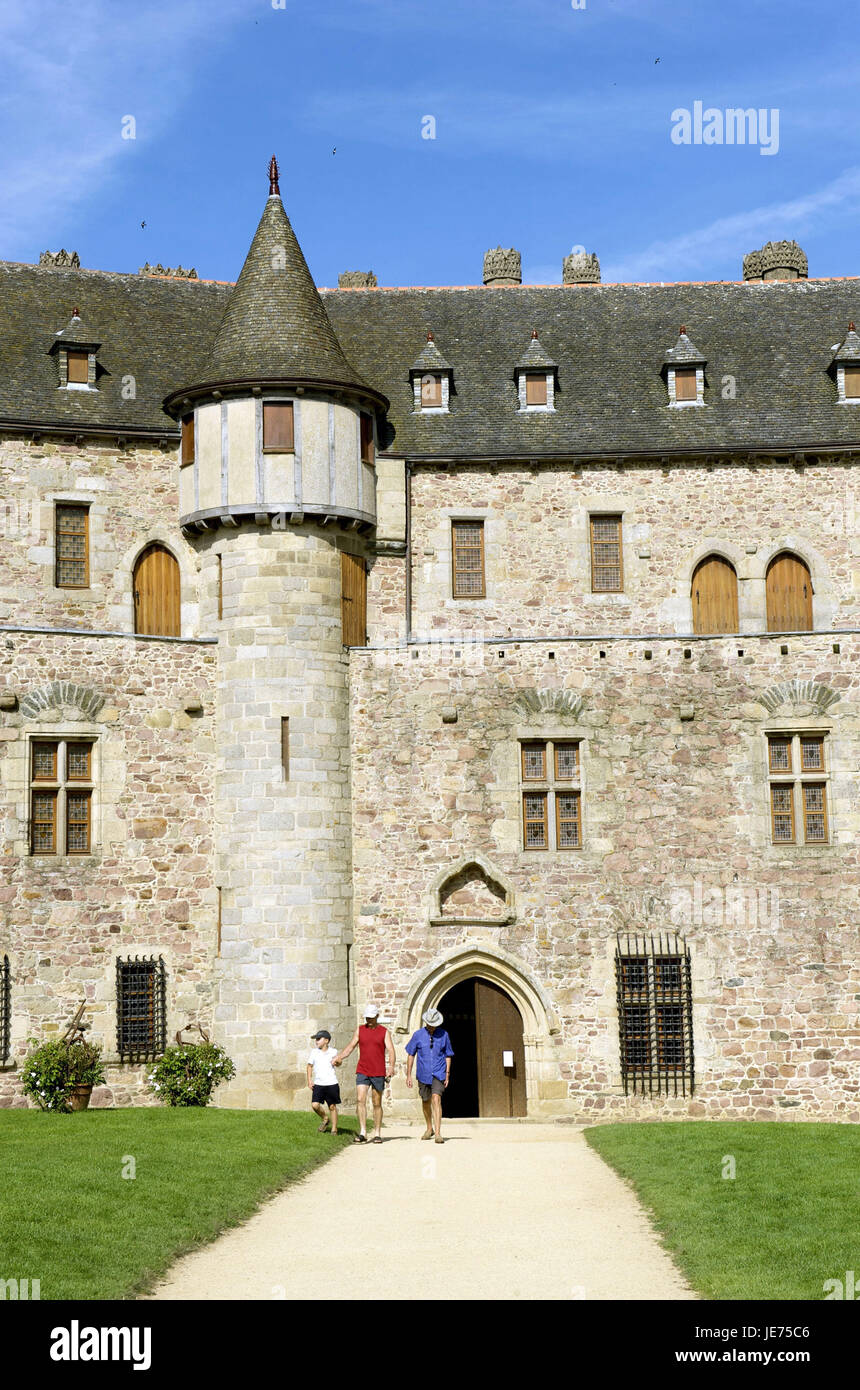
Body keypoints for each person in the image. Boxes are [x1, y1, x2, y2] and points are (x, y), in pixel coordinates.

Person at [335, 1005, 395, 1144]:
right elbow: (350, 1046)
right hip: (363, 1070)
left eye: (371, 1018)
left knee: (376, 1102)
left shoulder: (384, 1032)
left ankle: (377, 1133)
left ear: (377, 1017)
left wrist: (391, 1067)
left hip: (378, 1071)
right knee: (360, 1099)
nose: (368, 1020)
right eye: (367, 1018)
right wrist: (340, 1057)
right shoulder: (360, 1030)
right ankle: (362, 1132)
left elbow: (391, 1050)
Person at [405, 1007, 454, 1144]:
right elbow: (410, 1054)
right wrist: (408, 1075)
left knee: (436, 1099)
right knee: (426, 1101)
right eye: (430, 1024)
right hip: (423, 1073)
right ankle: (429, 1128)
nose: (432, 1027)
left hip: (439, 1072)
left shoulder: (444, 1035)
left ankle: (438, 1133)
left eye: (435, 1025)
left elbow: (448, 1055)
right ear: (426, 1022)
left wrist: (447, 1074)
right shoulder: (418, 1035)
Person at [306, 1030, 342, 1134]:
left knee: (332, 1106)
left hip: (331, 1083)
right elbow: (309, 1066)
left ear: (326, 1040)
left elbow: (339, 1063)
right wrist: (309, 1080)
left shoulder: (333, 1051)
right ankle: (325, 1118)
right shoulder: (314, 1052)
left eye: (318, 1039)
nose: (316, 1041)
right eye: (316, 1039)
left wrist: (338, 1062)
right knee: (315, 1105)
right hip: (318, 1084)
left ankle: (334, 1129)